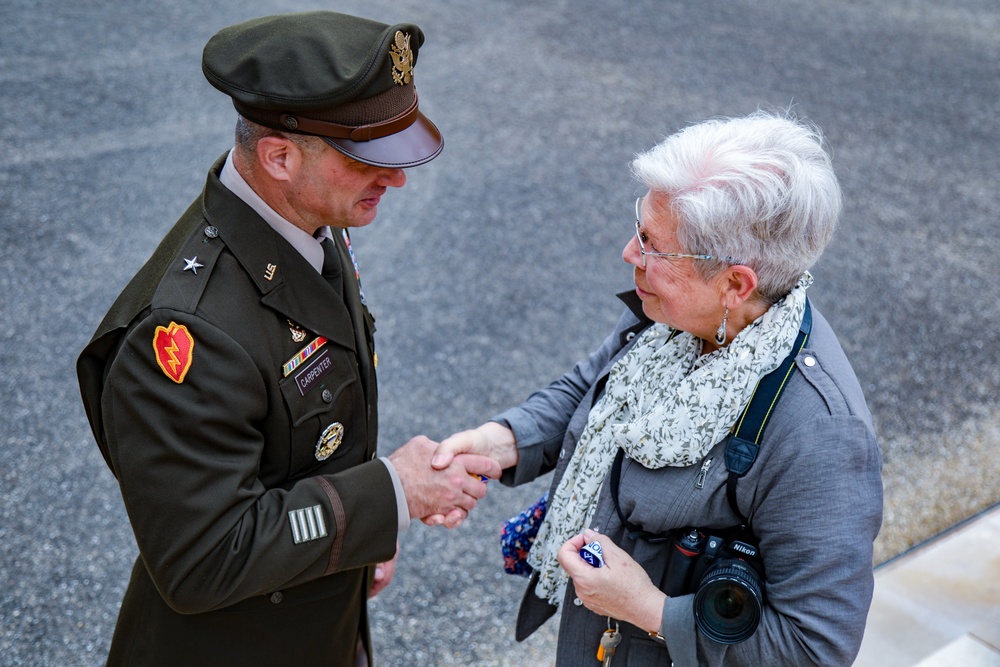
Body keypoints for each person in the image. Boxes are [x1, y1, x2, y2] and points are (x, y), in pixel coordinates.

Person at [76, 11, 500, 667]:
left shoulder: (303, 218)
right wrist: (390, 494)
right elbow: (202, 556)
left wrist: (363, 533)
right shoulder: (186, 334)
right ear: (279, 156)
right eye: (369, 159)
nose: (397, 178)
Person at [432, 111, 883, 665]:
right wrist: (504, 441)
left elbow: (814, 648)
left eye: (651, 244)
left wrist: (648, 609)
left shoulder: (820, 434)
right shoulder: (674, 318)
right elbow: (592, 387)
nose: (629, 254)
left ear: (734, 284)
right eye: (638, 226)